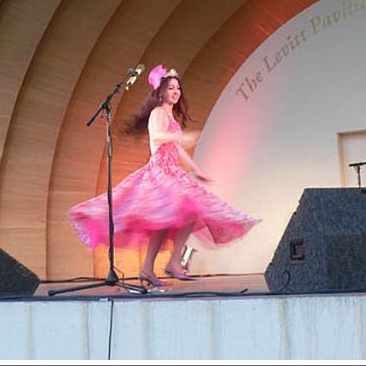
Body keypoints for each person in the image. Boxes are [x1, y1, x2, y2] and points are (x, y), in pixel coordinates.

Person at [68, 64, 261, 289]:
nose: (176, 92)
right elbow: (158, 136)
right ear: (161, 92)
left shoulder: (170, 115)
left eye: (178, 88)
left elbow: (176, 148)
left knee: (183, 212)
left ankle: (155, 266)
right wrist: (181, 138)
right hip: (159, 171)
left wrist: (195, 169)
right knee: (177, 212)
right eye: (171, 88)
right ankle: (165, 264)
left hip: (173, 171)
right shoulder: (158, 113)